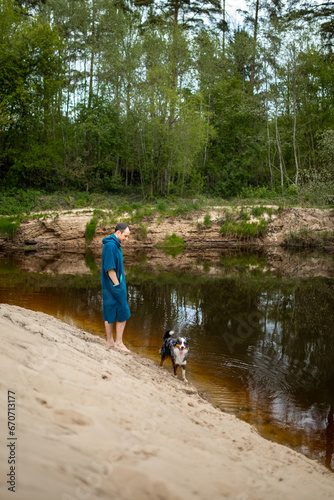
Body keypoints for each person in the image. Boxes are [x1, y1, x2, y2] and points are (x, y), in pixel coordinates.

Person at [101, 222, 131, 352]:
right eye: (126, 235)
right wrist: (117, 286)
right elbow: (110, 268)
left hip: (112, 285)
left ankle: (110, 342)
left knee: (111, 309)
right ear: (118, 232)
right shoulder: (110, 246)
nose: (127, 239)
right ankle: (117, 342)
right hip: (113, 286)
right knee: (123, 312)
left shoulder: (115, 245)